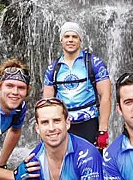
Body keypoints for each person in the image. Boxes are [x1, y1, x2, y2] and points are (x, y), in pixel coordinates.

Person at [43, 21, 111, 152]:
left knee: (91, 164)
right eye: (67, 36)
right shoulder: (53, 68)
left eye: (74, 37)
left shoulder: (94, 63)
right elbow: (47, 103)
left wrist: (103, 130)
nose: (70, 40)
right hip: (62, 124)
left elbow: (106, 96)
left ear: (80, 40)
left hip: (89, 122)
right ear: (61, 40)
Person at [15, 97, 104, 179]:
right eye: (45, 122)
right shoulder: (33, 160)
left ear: (67, 123)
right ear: (37, 128)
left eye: (57, 121)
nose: (51, 128)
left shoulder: (88, 155)